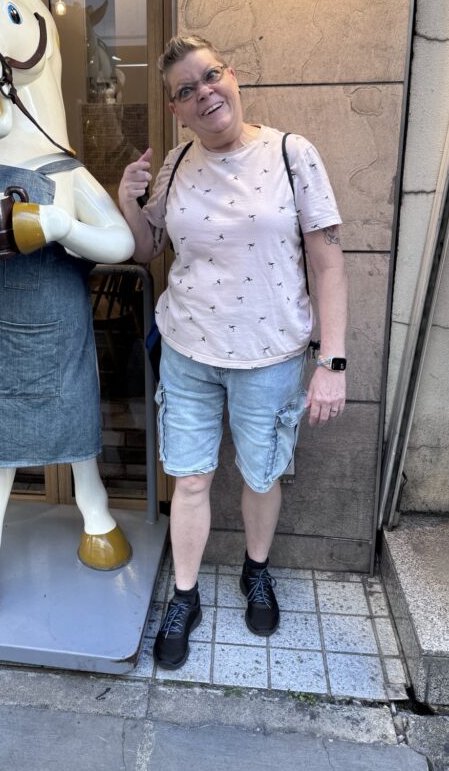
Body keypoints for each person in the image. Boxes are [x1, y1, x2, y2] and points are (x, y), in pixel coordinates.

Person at [118, 35, 348, 670]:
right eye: (185, 91)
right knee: (190, 477)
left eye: (209, 76)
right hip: (189, 349)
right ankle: (185, 596)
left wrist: (331, 362)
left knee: (261, 473)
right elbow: (146, 250)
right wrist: (127, 199)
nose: (203, 93)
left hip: (270, 354)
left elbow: (329, 267)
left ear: (232, 76)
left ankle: (255, 570)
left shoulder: (290, 153)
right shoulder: (174, 163)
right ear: (176, 109)